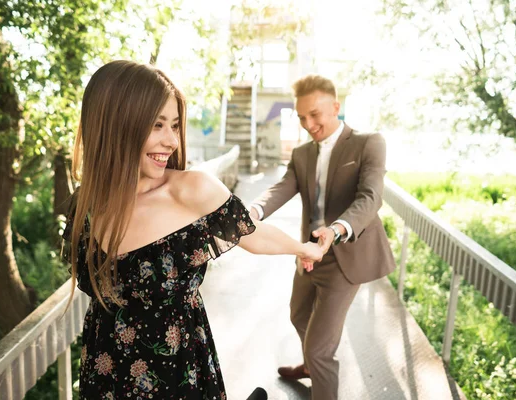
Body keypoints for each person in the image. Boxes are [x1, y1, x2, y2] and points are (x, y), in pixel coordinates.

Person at [61, 60, 325, 400]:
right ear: (115, 126)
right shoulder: (85, 205)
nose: (171, 140)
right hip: (105, 370)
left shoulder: (191, 190)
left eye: (173, 125)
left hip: (175, 374)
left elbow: (254, 234)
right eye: (157, 125)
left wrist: (305, 249)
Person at [249, 75, 396, 400]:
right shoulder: (302, 154)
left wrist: (337, 229)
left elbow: (370, 197)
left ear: (335, 107)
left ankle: (315, 364)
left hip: (346, 256)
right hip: (309, 252)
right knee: (298, 315)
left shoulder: (368, 142)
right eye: (301, 117)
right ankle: (309, 365)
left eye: (314, 114)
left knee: (320, 349)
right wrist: (252, 212)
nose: (308, 124)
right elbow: (280, 189)